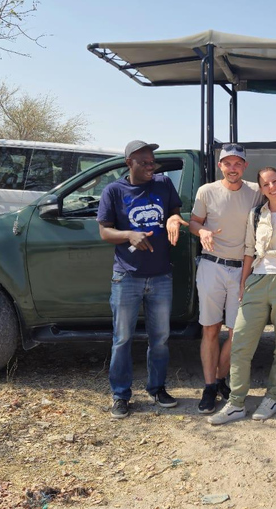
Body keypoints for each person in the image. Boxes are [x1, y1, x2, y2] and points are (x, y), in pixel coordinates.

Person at [208, 167, 276, 424]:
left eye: (274, 181)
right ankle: (236, 403)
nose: (271, 187)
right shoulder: (256, 214)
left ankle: (273, 397)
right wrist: (244, 283)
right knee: (241, 341)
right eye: (265, 184)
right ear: (261, 189)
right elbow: (248, 251)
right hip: (258, 279)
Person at [97, 140, 189, 419]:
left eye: (153, 162)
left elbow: (174, 210)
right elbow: (104, 232)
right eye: (145, 163)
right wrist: (129, 235)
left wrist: (174, 219)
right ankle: (120, 395)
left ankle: (157, 388)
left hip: (161, 275)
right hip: (127, 276)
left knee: (160, 338)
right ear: (129, 163)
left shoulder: (163, 184)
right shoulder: (113, 191)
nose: (151, 167)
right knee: (122, 338)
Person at [189, 144, 262, 414]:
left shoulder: (255, 191)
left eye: (237, 163)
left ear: (245, 166)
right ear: (220, 166)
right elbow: (194, 222)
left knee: (236, 331)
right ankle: (210, 386)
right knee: (210, 328)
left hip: (242, 270)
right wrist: (202, 232)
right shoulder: (206, 191)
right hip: (212, 266)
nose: (232, 168)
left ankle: (221, 379)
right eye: (227, 163)